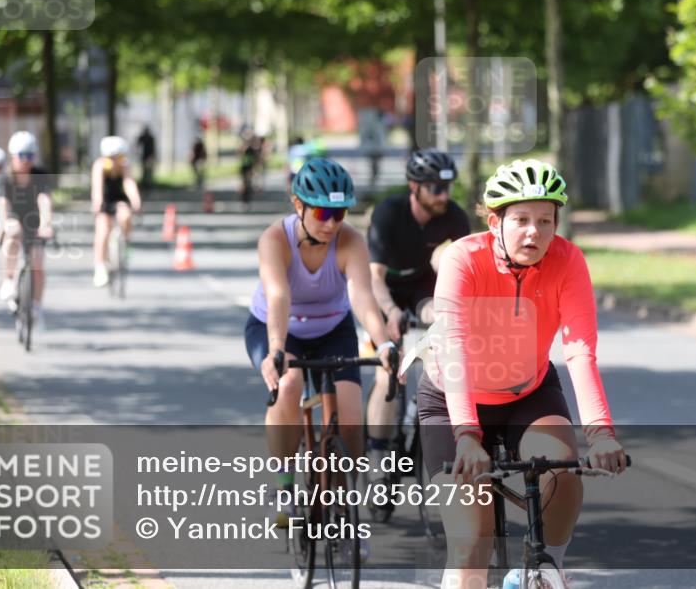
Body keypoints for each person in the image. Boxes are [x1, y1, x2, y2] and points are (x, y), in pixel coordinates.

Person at [417, 159, 627, 588]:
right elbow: (452, 349)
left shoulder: (568, 261)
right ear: (495, 222)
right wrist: (466, 436)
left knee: (563, 476)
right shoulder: (463, 259)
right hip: (452, 397)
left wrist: (601, 433)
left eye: (545, 221)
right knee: (471, 544)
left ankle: (542, 568)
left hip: (527, 392)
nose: (534, 232)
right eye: (522, 220)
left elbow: (580, 351)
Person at [243, 157, 396, 535]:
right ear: (299, 205)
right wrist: (276, 350)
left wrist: (384, 344)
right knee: (289, 385)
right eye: (323, 212)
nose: (331, 224)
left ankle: (341, 508)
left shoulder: (350, 240)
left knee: (349, 412)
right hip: (277, 328)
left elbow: (362, 296)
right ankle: (283, 487)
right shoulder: (274, 239)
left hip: (332, 329)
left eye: (340, 213)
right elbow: (278, 296)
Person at [365, 149, 470, 472]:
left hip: (422, 288)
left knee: (443, 325)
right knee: (388, 372)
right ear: (415, 186)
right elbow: (374, 278)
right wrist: (391, 311)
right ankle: (377, 455)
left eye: (448, 187)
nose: (444, 195)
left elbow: (468, 268)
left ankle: (420, 416)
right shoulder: (389, 214)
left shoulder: (453, 215)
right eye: (436, 188)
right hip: (386, 291)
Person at [0, 131, 53, 330]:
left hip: (34, 223)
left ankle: (36, 306)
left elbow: (44, 200)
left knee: (37, 262)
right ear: (13, 156)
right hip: (12, 220)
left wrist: (46, 224)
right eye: (22, 156)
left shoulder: (39, 175)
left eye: (30, 156)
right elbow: (2, 204)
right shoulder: (5, 178)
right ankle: (8, 279)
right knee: (13, 232)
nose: (27, 161)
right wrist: (3, 224)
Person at [91, 136, 142, 288]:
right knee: (103, 229)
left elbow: (129, 183)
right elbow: (97, 188)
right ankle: (100, 267)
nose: (114, 161)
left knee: (126, 216)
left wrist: (136, 201)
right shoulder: (99, 166)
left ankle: (125, 244)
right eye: (110, 158)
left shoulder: (124, 166)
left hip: (119, 198)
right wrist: (98, 204)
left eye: (118, 157)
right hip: (105, 200)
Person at [238, 137, 260, 206]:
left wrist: (255, 170)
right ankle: (244, 199)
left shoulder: (251, 150)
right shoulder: (242, 150)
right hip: (244, 168)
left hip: (249, 168)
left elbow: (255, 160)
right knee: (244, 184)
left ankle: (248, 198)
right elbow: (240, 158)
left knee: (249, 183)